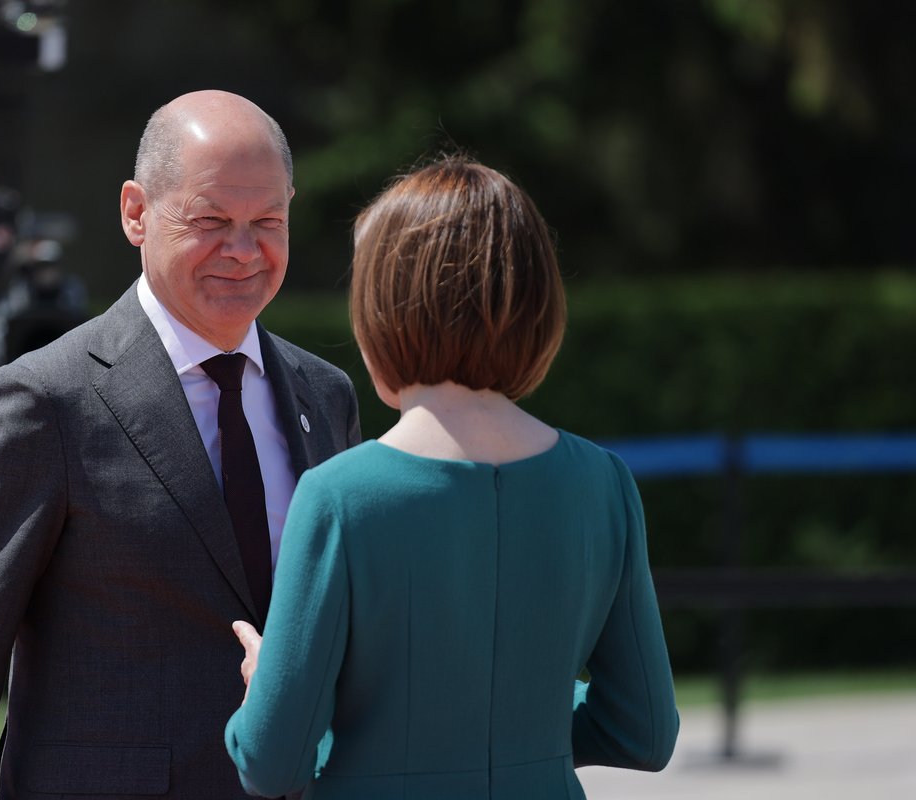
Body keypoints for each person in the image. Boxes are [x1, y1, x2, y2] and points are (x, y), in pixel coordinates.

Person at [0, 89, 361, 799]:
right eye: (211, 219)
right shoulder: (43, 402)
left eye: (267, 220)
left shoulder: (324, 397)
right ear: (137, 213)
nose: (243, 250)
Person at [225, 155, 679, 798]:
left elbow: (272, 763)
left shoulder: (339, 498)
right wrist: (516, 722)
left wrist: (263, 688)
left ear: (383, 313)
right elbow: (645, 731)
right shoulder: (604, 483)